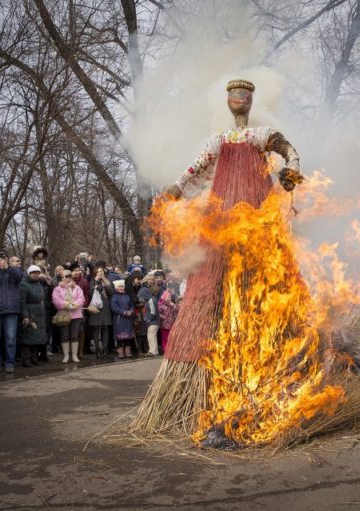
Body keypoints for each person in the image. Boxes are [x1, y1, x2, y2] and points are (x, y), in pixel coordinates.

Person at [133, 78, 306, 434]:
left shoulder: (261, 134)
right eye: (233, 95)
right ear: (228, 100)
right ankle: (200, 389)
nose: (238, 100)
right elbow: (197, 167)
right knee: (210, 278)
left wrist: (292, 170)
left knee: (264, 272)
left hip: (255, 208)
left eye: (243, 95)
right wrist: (176, 189)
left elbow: (289, 150)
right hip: (222, 211)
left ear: (251, 100)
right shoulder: (220, 139)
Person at [52, 269, 85, 363]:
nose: (68, 278)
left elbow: (81, 298)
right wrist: (66, 304)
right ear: (62, 277)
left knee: (74, 336)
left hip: (76, 315)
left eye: (70, 276)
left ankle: (74, 355)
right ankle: (66, 355)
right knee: (64, 336)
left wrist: (75, 304)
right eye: (66, 276)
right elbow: (56, 301)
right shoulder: (57, 289)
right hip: (64, 315)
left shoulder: (77, 288)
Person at [19, 265, 48, 367]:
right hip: (30, 312)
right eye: (34, 273)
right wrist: (25, 315)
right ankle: (25, 360)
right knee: (27, 338)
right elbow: (22, 302)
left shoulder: (39, 283)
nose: (36, 275)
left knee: (36, 337)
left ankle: (34, 358)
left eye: (37, 273)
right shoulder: (23, 285)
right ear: (29, 274)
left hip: (39, 312)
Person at [87, 266, 113, 359]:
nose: (100, 273)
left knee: (105, 327)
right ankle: (98, 349)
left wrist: (106, 283)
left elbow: (110, 292)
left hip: (105, 306)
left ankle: (105, 349)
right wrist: (97, 281)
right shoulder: (92, 281)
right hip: (96, 307)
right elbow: (90, 292)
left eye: (101, 271)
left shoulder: (106, 281)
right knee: (96, 328)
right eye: (98, 272)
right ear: (95, 273)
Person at [110, 280, 135, 359]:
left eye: (122, 286)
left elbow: (131, 305)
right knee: (120, 337)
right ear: (116, 287)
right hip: (119, 319)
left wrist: (131, 311)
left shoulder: (127, 296)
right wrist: (123, 312)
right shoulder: (114, 296)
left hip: (128, 319)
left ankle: (128, 352)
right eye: (119, 286)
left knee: (128, 337)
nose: (121, 288)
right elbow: (114, 307)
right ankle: (120, 352)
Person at [158, 288, 179, 353]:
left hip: (172, 324)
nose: (168, 298)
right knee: (165, 337)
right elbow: (158, 314)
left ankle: (172, 350)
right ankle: (166, 350)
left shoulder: (171, 304)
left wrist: (172, 304)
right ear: (164, 297)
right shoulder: (161, 304)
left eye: (169, 297)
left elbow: (177, 310)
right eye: (167, 297)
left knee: (172, 337)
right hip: (164, 324)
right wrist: (163, 317)